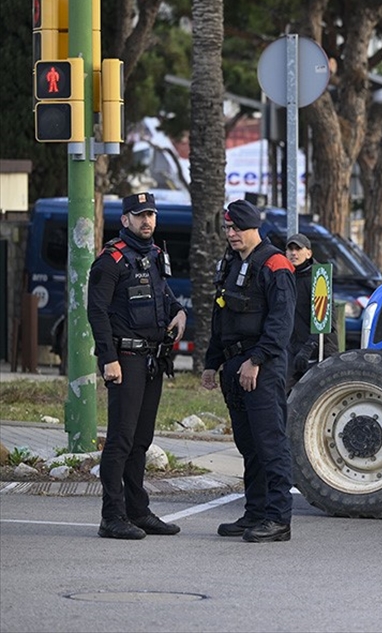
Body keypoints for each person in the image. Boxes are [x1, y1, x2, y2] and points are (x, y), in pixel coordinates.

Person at [87, 192, 187, 540]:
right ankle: (112, 516)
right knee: (121, 440)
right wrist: (107, 358)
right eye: (139, 215)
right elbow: (96, 312)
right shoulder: (110, 260)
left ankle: (138, 511)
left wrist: (179, 311)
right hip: (125, 360)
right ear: (125, 219)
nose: (147, 221)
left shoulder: (155, 255)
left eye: (151, 215)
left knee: (142, 440)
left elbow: (164, 295)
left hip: (152, 359)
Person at [201, 200, 297, 543]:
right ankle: (255, 512)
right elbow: (220, 317)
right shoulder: (229, 264)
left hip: (261, 368)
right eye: (227, 228)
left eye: (237, 228)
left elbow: (280, 323)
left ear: (253, 228)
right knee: (248, 445)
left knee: (270, 443)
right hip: (233, 366)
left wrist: (256, 360)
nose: (231, 234)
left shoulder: (274, 264)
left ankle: (278, 518)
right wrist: (212, 363)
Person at [284, 233, 338, 393]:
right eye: (290, 249)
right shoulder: (285, 277)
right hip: (292, 350)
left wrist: (308, 348)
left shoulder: (319, 277)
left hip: (319, 349)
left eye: (298, 249)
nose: (294, 253)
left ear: (309, 253)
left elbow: (325, 320)